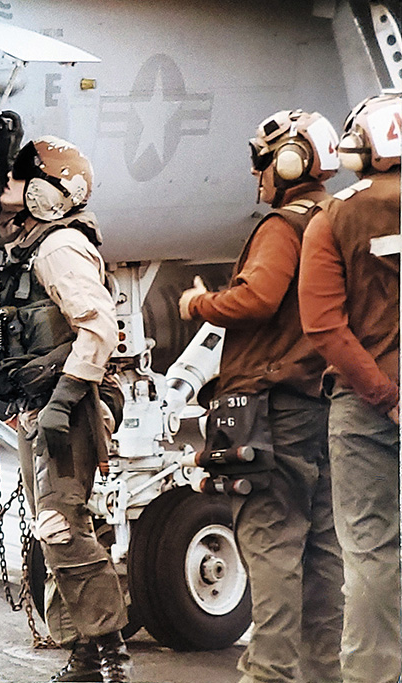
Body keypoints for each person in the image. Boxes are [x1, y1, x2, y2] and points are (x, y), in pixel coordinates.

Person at [0, 136, 131, 682]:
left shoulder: (58, 248)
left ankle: (111, 654)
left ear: (45, 193)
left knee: (59, 524)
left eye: (19, 177)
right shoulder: (29, 245)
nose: (7, 185)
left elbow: (99, 328)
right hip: (42, 402)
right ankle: (83, 653)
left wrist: (65, 399)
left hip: (70, 403)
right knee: (59, 525)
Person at [178, 110, 345, 683]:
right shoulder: (337, 218)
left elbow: (257, 300)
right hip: (328, 404)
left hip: (272, 408)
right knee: (326, 551)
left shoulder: (284, 226)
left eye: (262, 158)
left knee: (271, 542)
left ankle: (269, 673)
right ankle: (327, 673)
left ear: (290, 160)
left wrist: (198, 304)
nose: (258, 172)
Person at [297, 92, 402, 683]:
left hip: (366, 410)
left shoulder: (334, 216)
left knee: (370, 552)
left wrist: (384, 395)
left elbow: (323, 327)